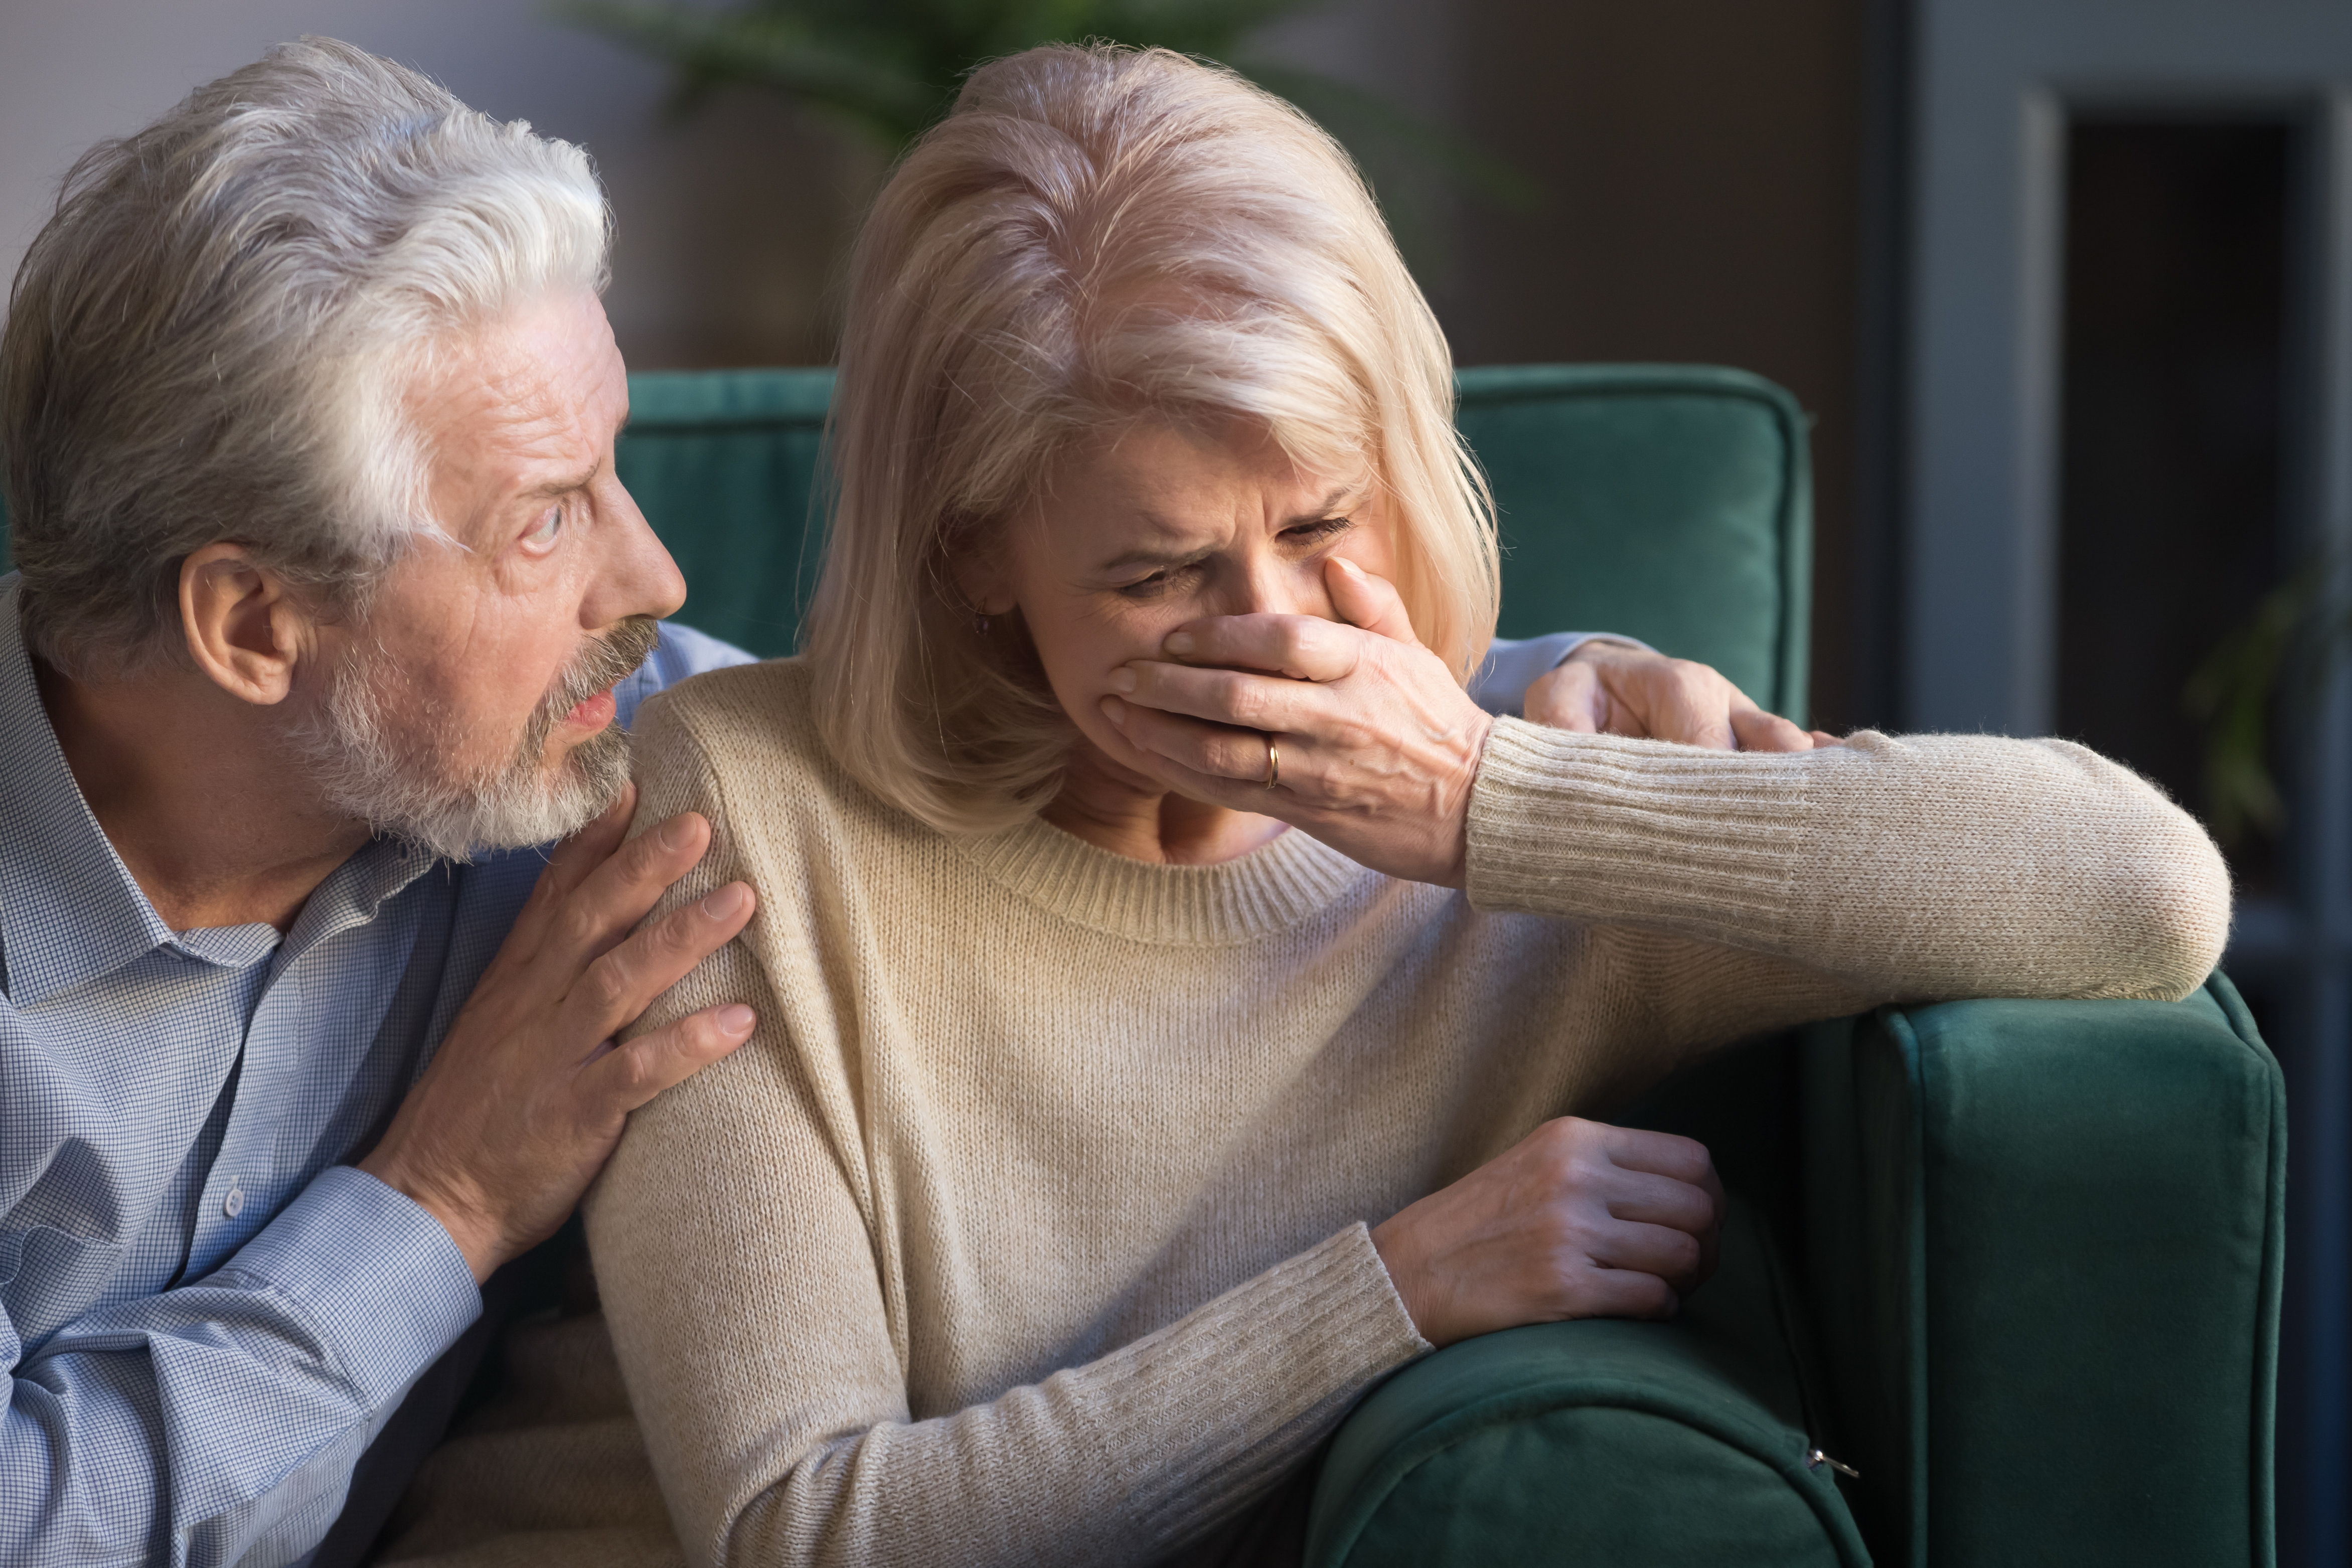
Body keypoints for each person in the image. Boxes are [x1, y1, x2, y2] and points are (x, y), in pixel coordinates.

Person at [378, 41, 2232, 1568]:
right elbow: (809, 1531)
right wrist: (1398, 1289)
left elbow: (2141, 891)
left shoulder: (1545, 801)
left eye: (1324, 524)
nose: (1269, 634)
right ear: (972, 561)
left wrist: (1493, 797)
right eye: (1159, 575)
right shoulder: (743, 813)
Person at [0, 38, 1737, 1565]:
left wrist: (1527, 698)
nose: (655, 575)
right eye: (544, 520)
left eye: (618, 471)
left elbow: (997, 704)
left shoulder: (603, 758)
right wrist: (434, 1207)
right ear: (251, 624)